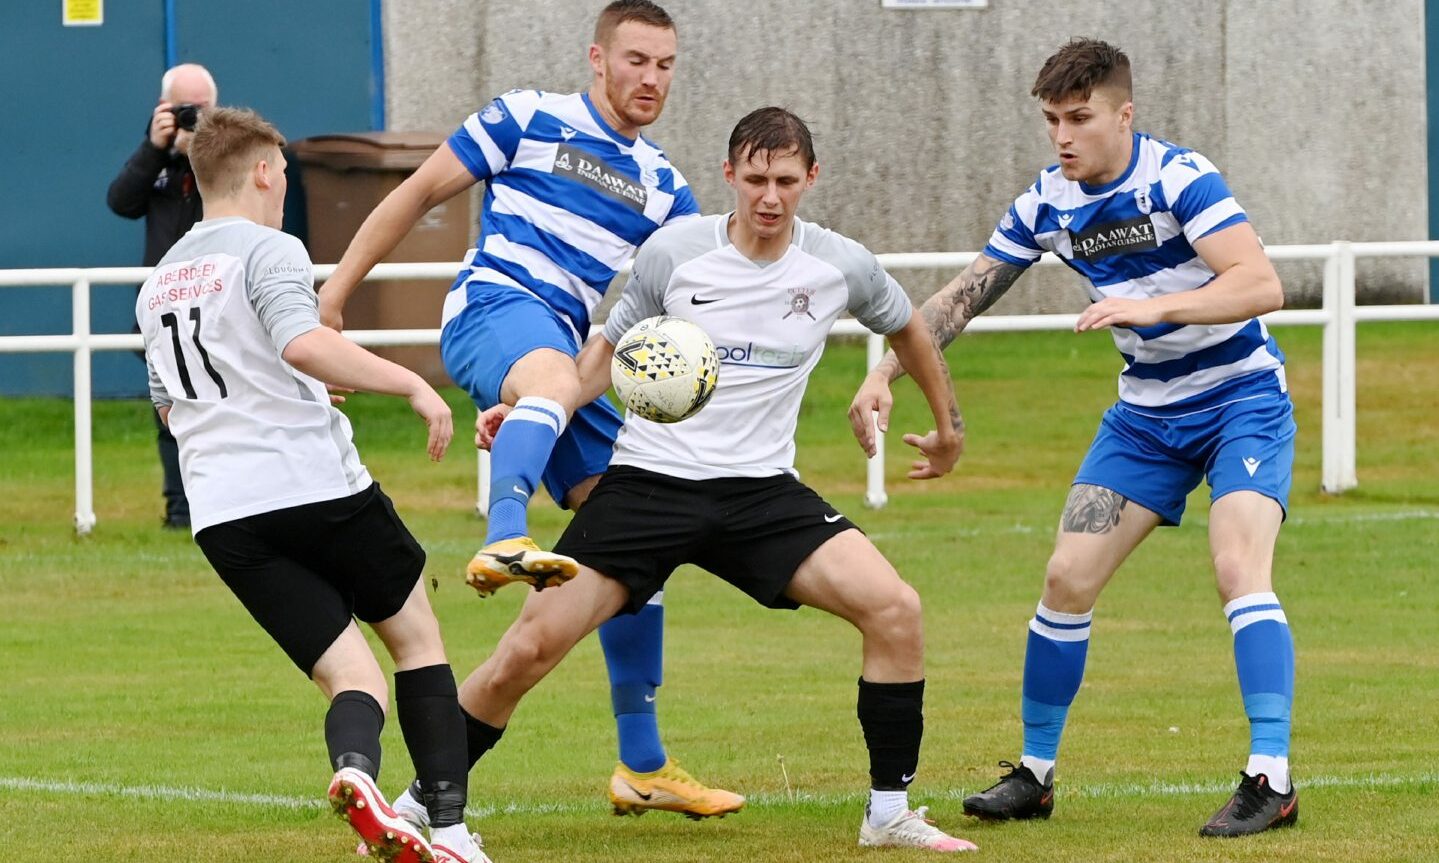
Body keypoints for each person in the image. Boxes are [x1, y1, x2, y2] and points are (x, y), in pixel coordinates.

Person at [457, 107, 976, 856]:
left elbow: (907, 326)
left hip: (761, 494)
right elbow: (601, 358)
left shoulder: (840, 264)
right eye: (756, 179)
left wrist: (948, 425)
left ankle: (888, 812)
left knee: (895, 610)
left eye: (787, 181)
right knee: (528, 648)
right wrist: (536, 409)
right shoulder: (673, 254)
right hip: (648, 484)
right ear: (728, 175)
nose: (770, 196)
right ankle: (423, 802)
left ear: (811, 179)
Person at [851, 38, 1298, 837]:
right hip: (1144, 417)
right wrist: (886, 370)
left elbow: (1260, 282)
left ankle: (1271, 775)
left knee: (1236, 566)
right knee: (1064, 577)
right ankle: (1035, 773)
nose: (1062, 135)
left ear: (1123, 115)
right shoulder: (1046, 203)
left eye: (1080, 117)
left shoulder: (1176, 177)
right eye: (1052, 118)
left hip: (1240, 400)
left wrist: (1153, 307)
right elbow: (964, 295)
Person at [319, 0, 741, 821]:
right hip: (493, 310)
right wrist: (335, 293)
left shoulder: (666, 191)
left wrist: (549, 404)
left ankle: (642, 765)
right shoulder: (526, 117)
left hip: (569, 362)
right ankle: (502, 530)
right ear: (597, 57)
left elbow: (669, 314)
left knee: (634, 531)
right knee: (547, 377)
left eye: (664, 65)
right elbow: (415, 194)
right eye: (636, 60)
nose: (650, 79)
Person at [135, 106, 489, 863]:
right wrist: (412, 388)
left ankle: (356, 774)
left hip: (224, 514)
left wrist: (275, 386)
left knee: (349, 674)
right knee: (416, 639)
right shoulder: (271, 248)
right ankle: (452, 831)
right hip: (313, 485)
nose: (283, 186)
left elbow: (175, 411)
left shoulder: (158, 282)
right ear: (264, 171)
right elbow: (304, 342)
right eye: (285, 174)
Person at [108, 63, 219, 530]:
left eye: (202, 109)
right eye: (183, 109)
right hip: (162, 313)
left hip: (216, 307)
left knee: (220, 413)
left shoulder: (225, 160)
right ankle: (180, 512)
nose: (193, 116)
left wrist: (203, 151)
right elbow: (121, 202)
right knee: (170, 411)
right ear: (162, 109)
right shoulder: (155, 164)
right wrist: (155, 149)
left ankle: (220, 506)